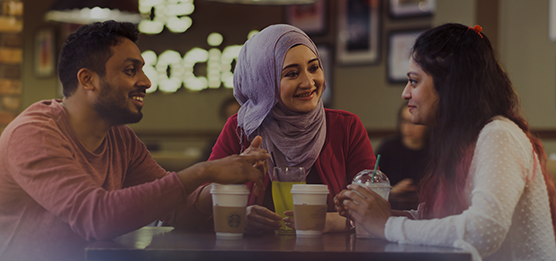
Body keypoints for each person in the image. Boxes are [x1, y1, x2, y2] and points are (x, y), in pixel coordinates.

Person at [0, 21, 269, 261]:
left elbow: (176, 208)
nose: (146, 81)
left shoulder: (120, 138)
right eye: (131, 70)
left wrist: (220, 189)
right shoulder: (33, 133)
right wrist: (203, 171)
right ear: (88, 79)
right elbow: (96, 218)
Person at [334, 23, 556, 261]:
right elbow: (438, 220)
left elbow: (484, 231)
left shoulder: (498, 134)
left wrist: (387, 224)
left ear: (448, 84)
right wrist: (370, 212)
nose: (405, 93)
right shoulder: (461, 141)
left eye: (414, 81)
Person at [185, 24, 377, 233]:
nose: (308, 82)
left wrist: (330, 221)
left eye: (314, 68)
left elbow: (376, 210)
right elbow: (194, 210)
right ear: (264, 82)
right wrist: (238, 216)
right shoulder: (240, 129)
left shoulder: (346, 126)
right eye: (292, 73)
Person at [375, 103, 429, 210]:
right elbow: (373, 185)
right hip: (392, 208)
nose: (408, 127)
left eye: (414, 122)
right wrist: (393, 190)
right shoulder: (388, 148)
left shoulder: (435, 149)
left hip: (426, 209)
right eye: (404, 121)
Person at [198, 96, 241, 162]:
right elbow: (203, 166)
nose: (235, 121)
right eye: (230, 116)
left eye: (238, 116)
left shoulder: (254, 141)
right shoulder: (215, 143)